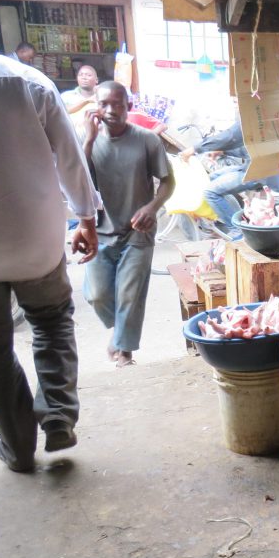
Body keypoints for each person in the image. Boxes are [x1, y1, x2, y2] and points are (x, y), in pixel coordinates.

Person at [0, 0, 100, 472]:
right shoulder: (29, 81)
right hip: (35, 240)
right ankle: (58, 414)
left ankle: (18, 446)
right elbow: (70, 157)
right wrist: (87, 218)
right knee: (50, 323)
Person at [82, 81, 175, 367]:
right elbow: (78, 182)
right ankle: (120, 331)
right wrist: (87, 141)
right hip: (100, 231)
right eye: (104, 104)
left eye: (118, 104)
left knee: (130, 293)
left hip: (138, 231)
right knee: (97, 295)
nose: (111, 110)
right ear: (95, 107)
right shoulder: (87, 140)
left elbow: (168, 181)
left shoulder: (147, 139)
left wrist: (152, 207)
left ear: (129, 107)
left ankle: (124, 351)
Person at [179, 118, 279, 234]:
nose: (235, 100)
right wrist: (223, 151)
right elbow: (246, 149)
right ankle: (237, 218)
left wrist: (195, 149)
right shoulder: (263, 114)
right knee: (211, 178)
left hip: (258, 173)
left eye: (236, 99)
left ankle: (238, 231)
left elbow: (229, 136)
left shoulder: (253, 115)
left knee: (210, 192)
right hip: (252, 167)